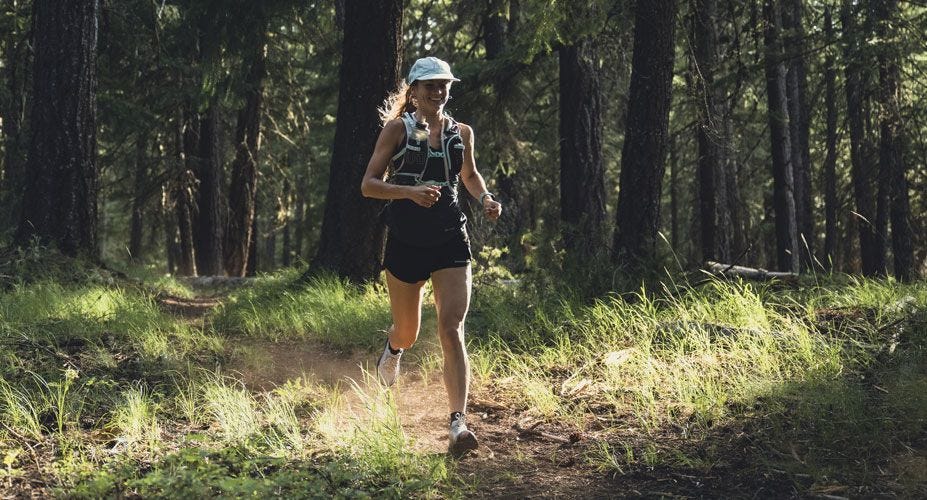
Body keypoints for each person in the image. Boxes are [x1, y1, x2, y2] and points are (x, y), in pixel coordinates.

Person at [360, 56, 502, 455]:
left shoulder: (462, 132)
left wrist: (486, 197)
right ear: (414, 91)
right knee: (408, 330)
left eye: (444, 86)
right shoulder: (398, 131)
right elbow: (369, 185)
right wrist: (409, 192)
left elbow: (469, 175)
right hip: (406, 239)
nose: (438, 92)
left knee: (451, 327)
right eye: (430, 86)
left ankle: (458, 423)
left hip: (450, 238)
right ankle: (392, 351)